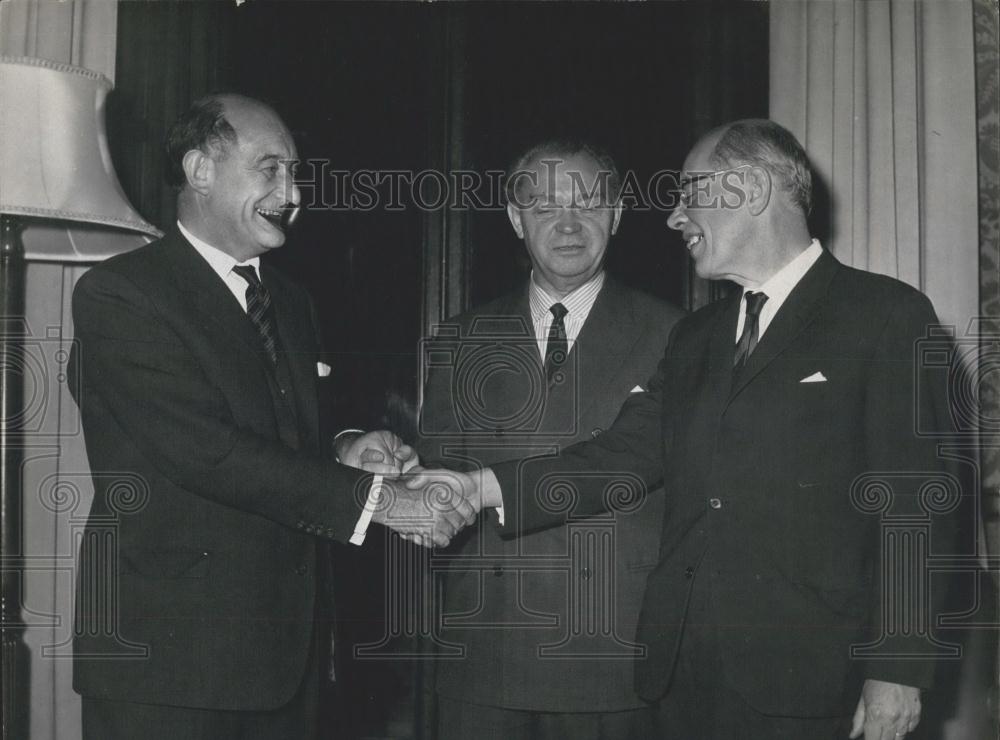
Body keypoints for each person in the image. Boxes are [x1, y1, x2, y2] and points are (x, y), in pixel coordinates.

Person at [451, 119, 959, 739]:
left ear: (748, 189)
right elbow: (622, 455)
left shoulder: (885, 315)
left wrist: (899, 671)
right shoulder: (698, 335)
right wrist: (477, 488)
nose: (674, 217)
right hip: (685, 679)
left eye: (690, 192)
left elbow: (919, 507)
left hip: (811, 681)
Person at [68, 93, 476, 740]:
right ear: (201, 170)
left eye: (295, 173)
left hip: (290, 662)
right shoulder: (120, 295)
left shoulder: (290, 301)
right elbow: (209, 452)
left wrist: (346, 445)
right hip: (171, 670)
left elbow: (290, 434)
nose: (294, 193)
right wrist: (383, 502)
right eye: (271, 169)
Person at [416, 141, 684, 739]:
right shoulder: (460, 338)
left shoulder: (678, 335)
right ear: (516, 220)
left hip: (612, 652)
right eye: (543, 206)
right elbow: (440, 480)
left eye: (588, 203)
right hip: (485, 652)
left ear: (617, 215)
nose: (568, 224)